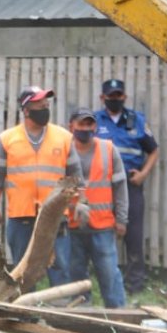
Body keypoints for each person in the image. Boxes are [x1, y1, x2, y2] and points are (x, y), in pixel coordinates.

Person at [0, 86, 81, 290]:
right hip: (22, 216)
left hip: (56, 216)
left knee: (60, 268)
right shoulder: (7, 139)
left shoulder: (64, 137)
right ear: (26, 110)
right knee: (23, 272)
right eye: (40, 105)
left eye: (46, 105)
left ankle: (59, 313)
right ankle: (24, 315)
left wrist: (78, 204)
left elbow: (76, 177)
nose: (45, 108)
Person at [94, 79, 158, 294]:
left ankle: (135, 287)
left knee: (133, 236)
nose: (115, 99)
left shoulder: (136, 120)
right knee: (100, 234)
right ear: (103, 98)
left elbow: (154, 150)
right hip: (101, 187)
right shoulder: (93, 120)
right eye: (111, 96)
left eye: (118, 95)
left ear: (125, 97)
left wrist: (144, 174)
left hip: (130, 186)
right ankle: (104, 284)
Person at [66, 108, 127, 307]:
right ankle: (80, 317)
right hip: (73, 226)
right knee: (76, 279)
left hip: (102, 226)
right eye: (81, 124)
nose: (85, 128)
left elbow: (120, 186)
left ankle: (119, 317)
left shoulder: (108, 149)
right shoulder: (64, 150)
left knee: (109, 275)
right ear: (71, 126)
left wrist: (121, 219)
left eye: (89, 124)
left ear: (95, 126)